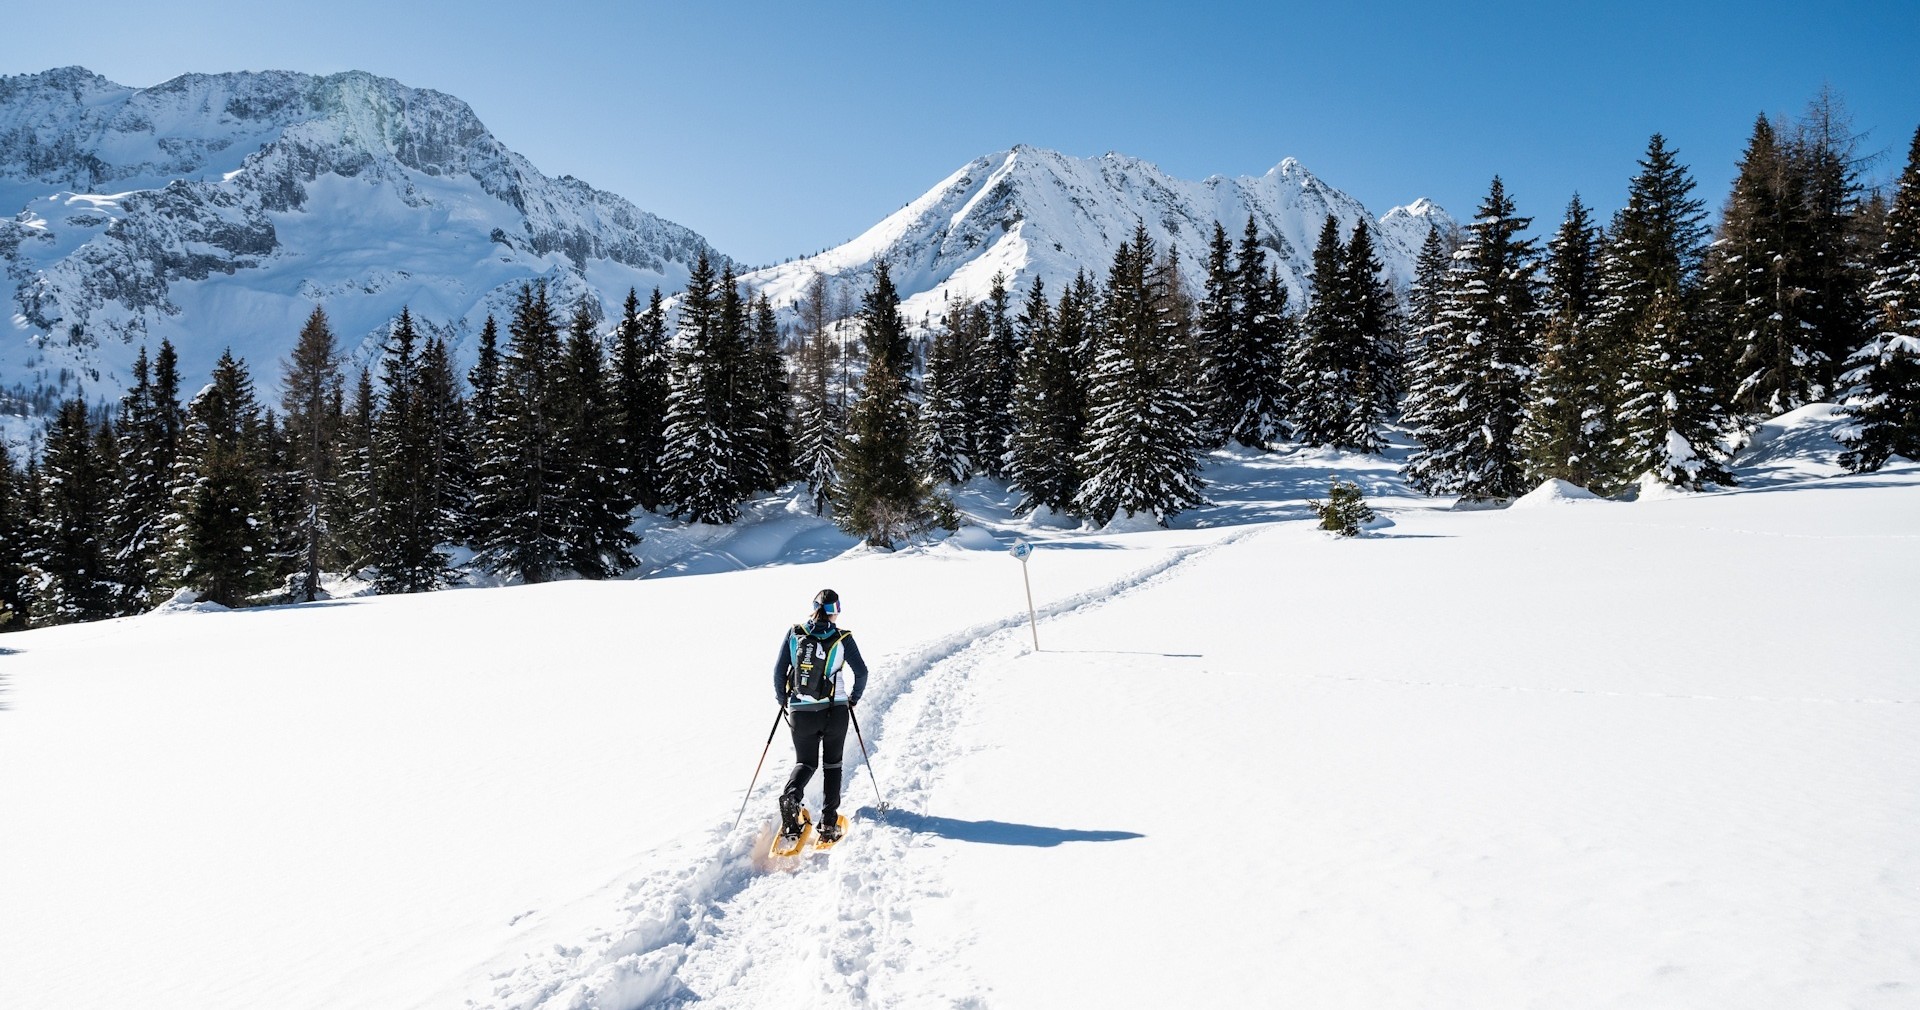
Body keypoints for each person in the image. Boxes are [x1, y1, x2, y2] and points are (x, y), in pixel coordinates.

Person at [773, 588, 868, 845]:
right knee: (832, 765)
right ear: (835, 611)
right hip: (834, 710)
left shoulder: (795, 633)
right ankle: (828, 823)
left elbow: (779, 672)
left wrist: (783, 700)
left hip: (800, 711)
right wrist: (853, 698)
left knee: (805, 762)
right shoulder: (843, 638)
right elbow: (862, 672)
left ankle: (792, 798)